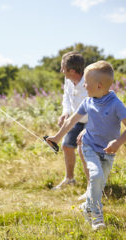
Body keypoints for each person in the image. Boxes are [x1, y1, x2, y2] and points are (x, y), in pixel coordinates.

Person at [46, 61, 126, 230]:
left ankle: (85, 207)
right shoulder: (88, 101)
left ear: (98, 85)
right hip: (88, 146)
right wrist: (57, 137)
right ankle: (97, 217)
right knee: (95, 177)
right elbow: (71, 120)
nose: (84, 84)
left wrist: (118, 142)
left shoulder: (116, 104)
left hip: (108, 152)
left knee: (98, 184)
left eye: (86, 82)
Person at [53, 51, 90, 195]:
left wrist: (88, 129)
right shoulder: (68, 81)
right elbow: (66, 98)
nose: (61, 71)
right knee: (67, 146)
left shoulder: (89, 82)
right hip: (75, 119)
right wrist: (65, 112)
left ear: (72, 71)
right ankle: (69, 179)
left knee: (83, 149)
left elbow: (96, 107)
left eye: (63, 68)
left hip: (91, 121)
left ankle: (90, 187)